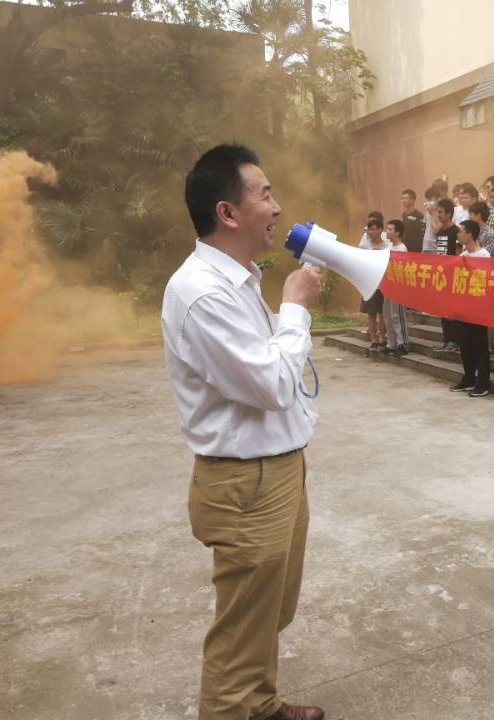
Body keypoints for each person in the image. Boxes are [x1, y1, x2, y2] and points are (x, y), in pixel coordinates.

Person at [162, 144, 326, 720]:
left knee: (267, 610)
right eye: (265, 194)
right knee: (242, 627)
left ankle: (260, 704)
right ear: (227, 213)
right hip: (245, 483)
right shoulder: (203, 292)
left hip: (273, 470)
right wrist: (296, 309)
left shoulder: (237, 280)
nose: (278, 208)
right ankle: (236, 707)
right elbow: (271, 384)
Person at [450, 219, 492, 397]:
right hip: (464, 306)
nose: (458, 234)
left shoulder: (484, 255)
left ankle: (483, 382)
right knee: (465, 344)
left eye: (461, 231)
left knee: (479, 345)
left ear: (469, 234)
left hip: (478, 307)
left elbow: (486, 281)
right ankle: (468, 378)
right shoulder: (463, 255)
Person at [433, 197, 461, 351]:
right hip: (441, 276)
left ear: (449, 214)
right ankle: (447, 339)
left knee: (452, 310)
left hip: (452, 277)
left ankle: (455, 340)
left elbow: (458, 255)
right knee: (442, 309)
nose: (438, 215)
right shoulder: (440, 231)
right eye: (437, 212)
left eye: (440, 212)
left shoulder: (456, 232)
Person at [382, 219, 410, 356]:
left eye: (390, 229)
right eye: (387, 229)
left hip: (398, 287)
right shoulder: (388, 246)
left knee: (397, 315)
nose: (387, 232)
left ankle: (402, 343)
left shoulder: (402, 248)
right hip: (388, 285)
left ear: (397, 233)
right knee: (388, 314)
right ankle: (391, 344)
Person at [360, 218, 387, 349]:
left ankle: (382, 337)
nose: (370, 232)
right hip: (369, 284)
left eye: (373, 229)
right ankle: (373, 339)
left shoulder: (387, 246)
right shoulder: (365, 246)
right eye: (369, 229)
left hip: (383, 284)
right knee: (371, 313)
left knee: (382, 313)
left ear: (380, 230)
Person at [400, 188, 425, 253]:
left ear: (412, 200)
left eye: (405, 198)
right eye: (402, 198)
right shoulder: (404, 215)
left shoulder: (419, 215)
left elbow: (423, 233)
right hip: (404, 248)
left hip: (415, 249)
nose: (403, 200)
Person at [421, 186, 443, 253]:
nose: (428, 202)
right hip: (426, 246)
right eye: (427, 199)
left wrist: (432, 214)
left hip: (436, 247)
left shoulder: (441, 212)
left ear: (438, 199)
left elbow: (436, 230)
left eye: (430, 199)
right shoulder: (427, 212)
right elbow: (425, 229)